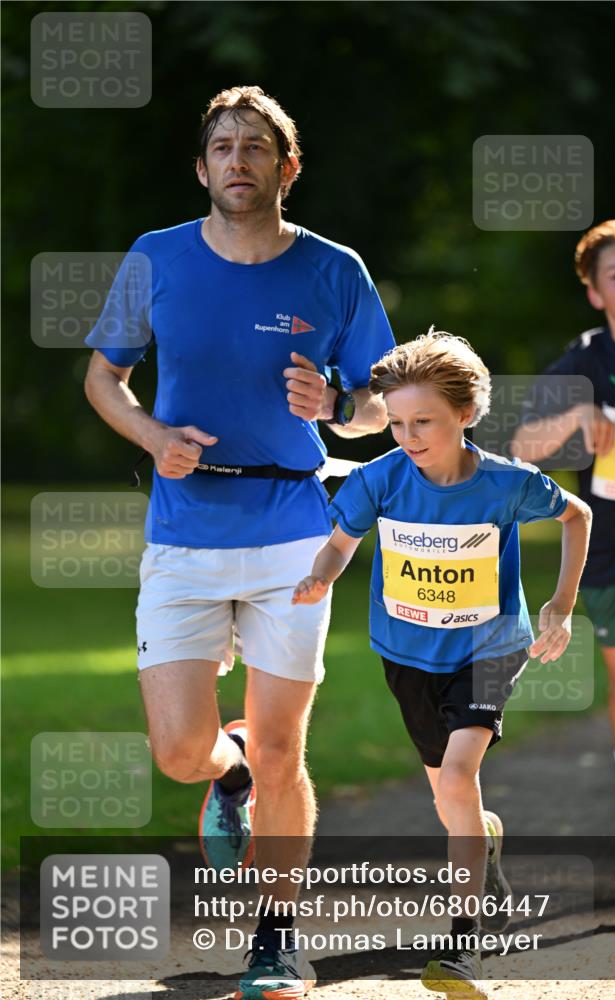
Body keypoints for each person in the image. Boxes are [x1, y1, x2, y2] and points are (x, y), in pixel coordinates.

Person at [83, 85, 394, 1000]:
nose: (238, 161)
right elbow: (105, 378)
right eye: (222, 146)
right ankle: (230, 773)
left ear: (286, 167)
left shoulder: (335, 269)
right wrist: (152, 439)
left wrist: (338, 406)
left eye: (256, 146)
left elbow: (380, 398)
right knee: (180, 750)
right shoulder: (156, 258)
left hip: (294, 531)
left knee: (287, 746)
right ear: (202, 167)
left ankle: (275, 939)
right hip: (183, 530)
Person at [293, 330, 592, 996]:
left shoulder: (505, 484)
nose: (406, 434)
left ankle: (463, 945)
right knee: (447, 793)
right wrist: (320, 574)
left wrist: (560, 605)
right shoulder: (379, 479)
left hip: (489, 647)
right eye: (395, 421)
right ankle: (481, 841)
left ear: (465, 413)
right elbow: (340, 544)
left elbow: (577, 516)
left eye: (421, 421)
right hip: (407, 655)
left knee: (457, 775)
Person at [511, 220, 615, 892]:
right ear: (594, 292)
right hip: (606, 545)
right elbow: (521, 446)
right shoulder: (582, 360)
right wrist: (576, 420)